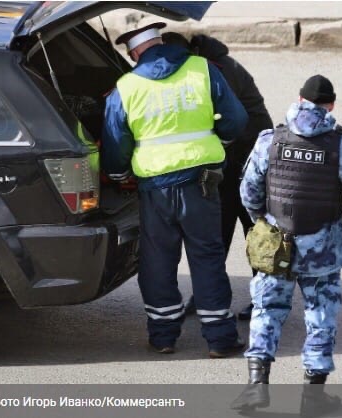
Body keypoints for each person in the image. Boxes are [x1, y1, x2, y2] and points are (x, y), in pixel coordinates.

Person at [231, 75, 342, 414]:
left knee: (267, 311)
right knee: (321, 314)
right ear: (331, 107)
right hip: (322, 248)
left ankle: (256, 387)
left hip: (275, 244)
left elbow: (248, 193)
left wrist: (266, 223)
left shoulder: (270, 139)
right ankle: (313, 396)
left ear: (299, 100)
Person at [102, 23, 248, 358]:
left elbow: (115, 145)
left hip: (155, 189)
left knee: (157, 260)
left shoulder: (127, 87)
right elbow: (236, 121)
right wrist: (218, 142)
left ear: (135, 52)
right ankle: (220, 338)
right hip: (201, 182)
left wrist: (119, 174)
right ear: (162, 43)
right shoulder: (202, 69)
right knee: (207, 257)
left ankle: (164, 336)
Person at [162, 32, 274, 321]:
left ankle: (266, 299)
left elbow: (229, 120)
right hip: (228, 161)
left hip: (248, 161)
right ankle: (205, 296)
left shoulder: (217, 70)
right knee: (216, 233)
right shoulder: (207, 64)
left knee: (256, 233)